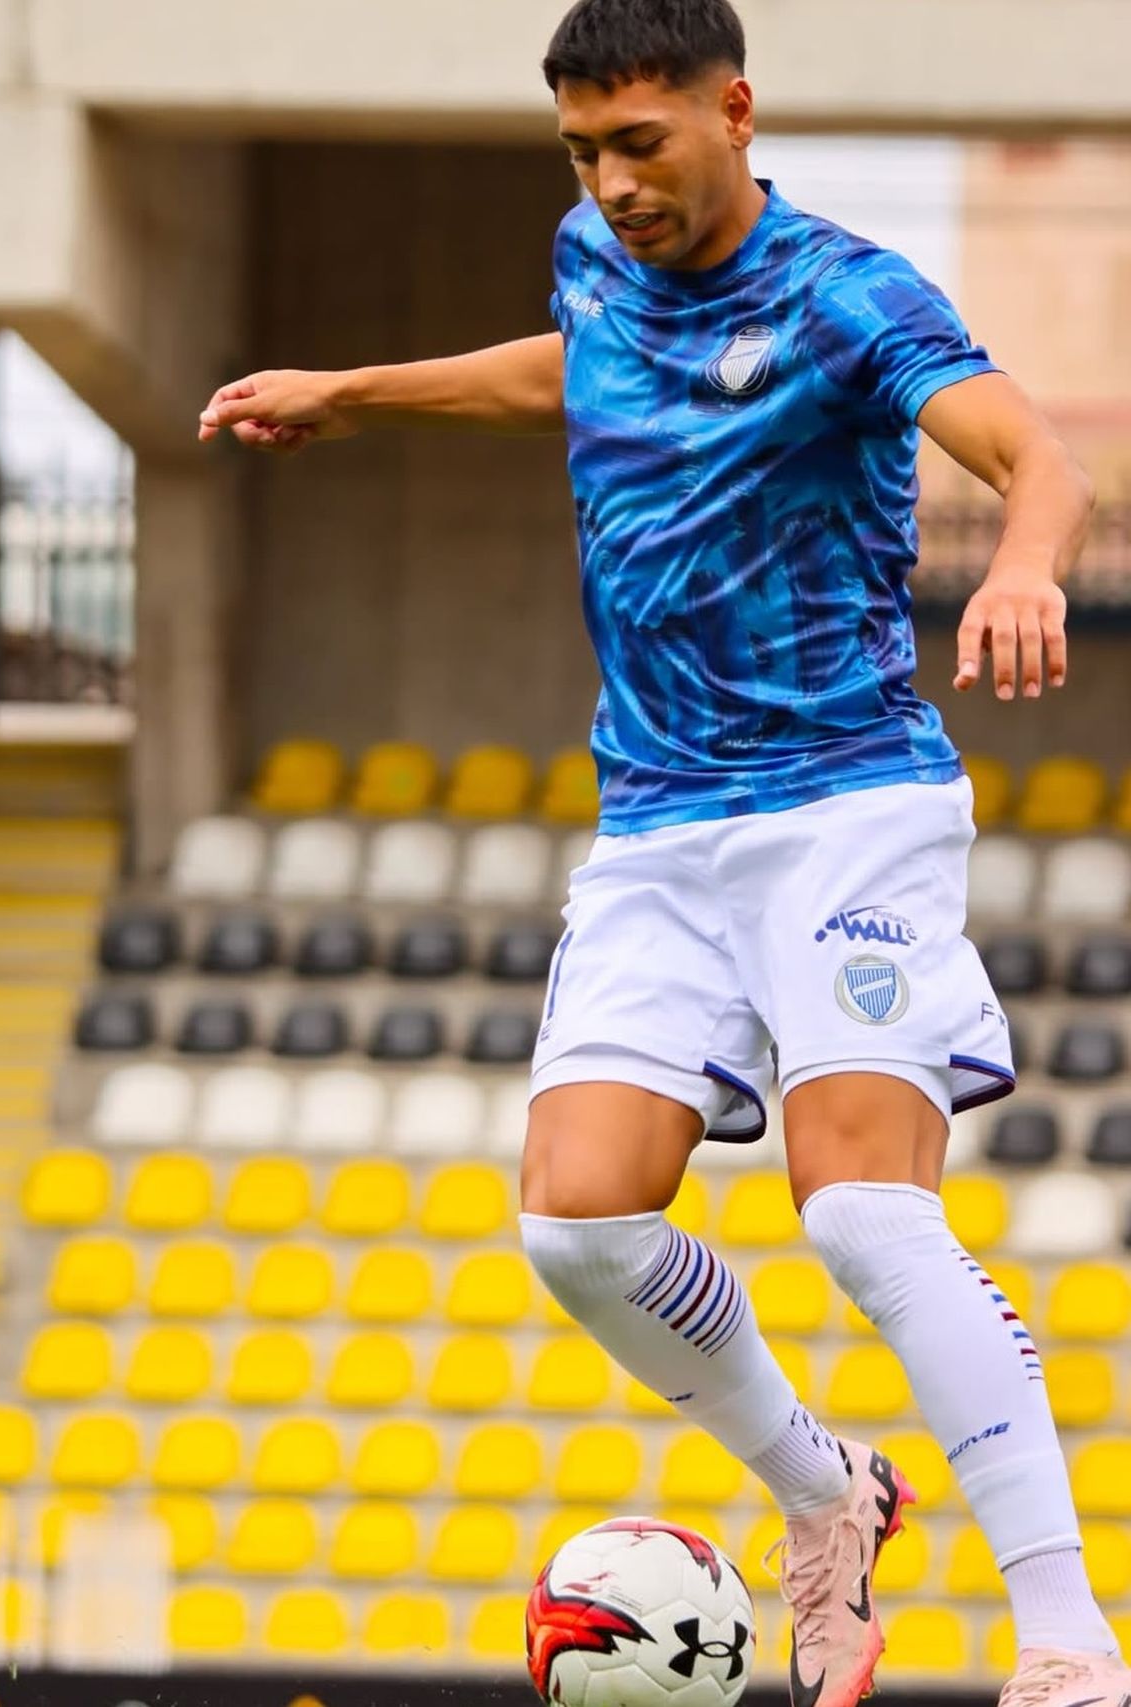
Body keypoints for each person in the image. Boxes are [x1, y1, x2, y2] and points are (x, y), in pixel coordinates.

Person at [198, 4, 1129, 1704]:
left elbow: (1031, 454)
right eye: (581, 152)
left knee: (859, 1218)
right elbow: (575, 368)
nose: (611, 184)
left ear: (734, 112)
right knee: (573, 1233)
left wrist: (1023, 566)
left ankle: (1069, 1640)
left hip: (845, 802)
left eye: (640, 144)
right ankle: (827, 1493)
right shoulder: (590, 258)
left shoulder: (848, 297)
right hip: (655, 830)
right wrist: (361, 393)